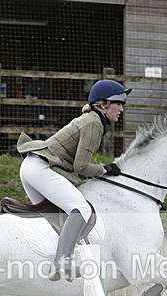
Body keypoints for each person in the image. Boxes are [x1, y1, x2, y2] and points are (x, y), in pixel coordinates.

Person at [17, 79, 130, 281]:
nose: (121, 108)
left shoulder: (91, 119)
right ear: (103, 105)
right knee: (82, 210)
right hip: (41, 168)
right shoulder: (94, 123)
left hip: (31, 168)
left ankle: (54, 260)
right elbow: (81, 167)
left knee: (58, 220)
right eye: (118, 103)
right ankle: (62, 262)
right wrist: (104, 169)